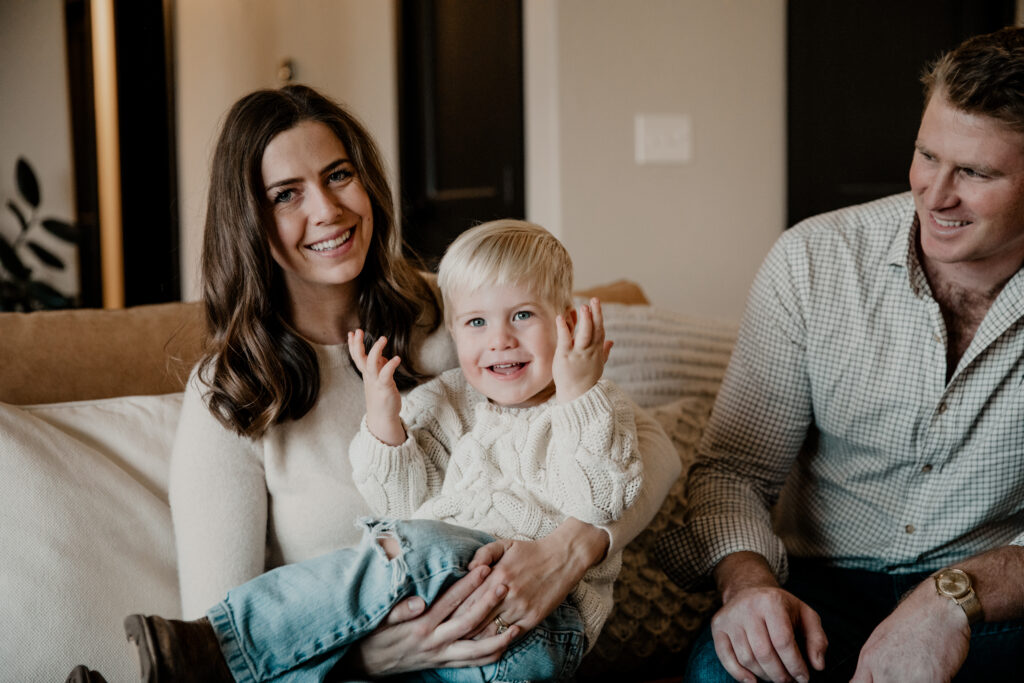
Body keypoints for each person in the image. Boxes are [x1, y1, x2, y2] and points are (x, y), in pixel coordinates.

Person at [66, 85, 679, 683]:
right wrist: (372, 657)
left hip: (518, 634)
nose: (327, 210)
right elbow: (215, 630)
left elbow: (651, 448)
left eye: (338, 175)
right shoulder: (232, 391)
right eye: (286, 194)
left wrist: (571, 550)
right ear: (249, 220)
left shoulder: (459, 318)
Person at [118, 220, 645, 683]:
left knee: (413, 547)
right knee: (403, 552)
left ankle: (218, 648)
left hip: (540, 630)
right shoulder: (445, 399)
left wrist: (579, 393)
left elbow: (599, 499)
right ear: (455, 331)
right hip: (435, 643)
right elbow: (399, 504)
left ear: (568, 321)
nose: (500, 339)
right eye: (477, 323)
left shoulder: (593, 405)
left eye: (523, 315)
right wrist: (385, 424)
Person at [655, 26, 1024, 683]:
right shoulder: (814, 261)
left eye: (974, 172)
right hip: (818, 588)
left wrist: (953, 600)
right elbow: (735, 470)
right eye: (927, 155)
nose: (935, 195)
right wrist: (747, 584)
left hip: (995, 599)